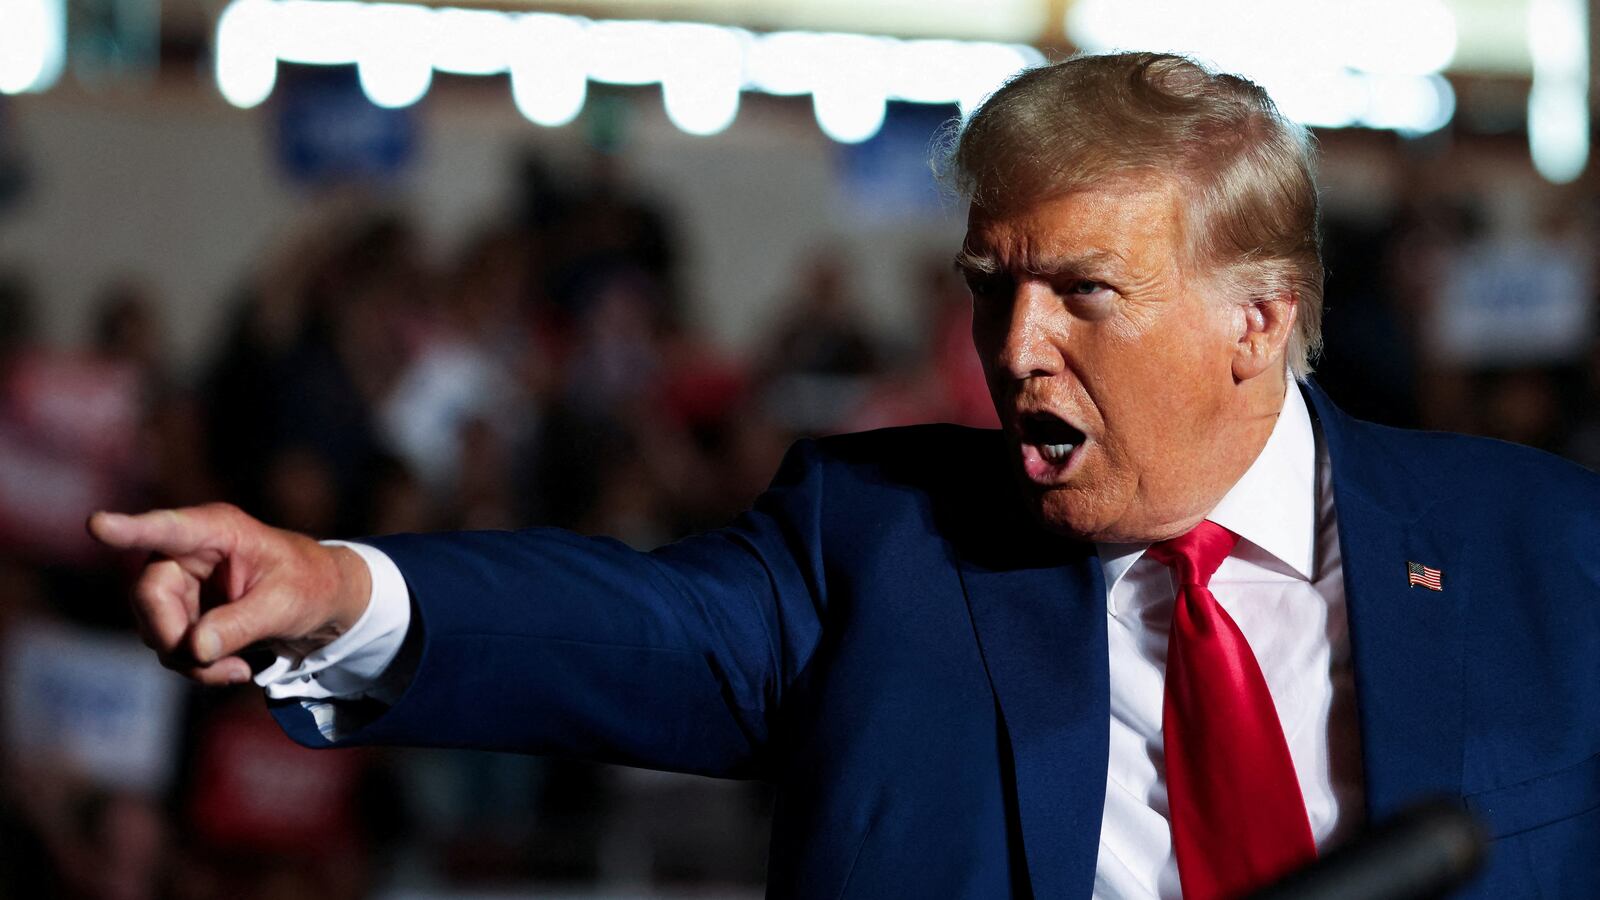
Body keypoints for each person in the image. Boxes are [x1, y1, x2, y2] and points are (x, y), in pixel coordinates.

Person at [90, 53, 1600, 899]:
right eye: (989, 285)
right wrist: (336, 587)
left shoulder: (1542, 548)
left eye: (1083, 291)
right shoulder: (881, 545)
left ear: (1256, 320)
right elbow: (624, 627)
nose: (1012, 346)